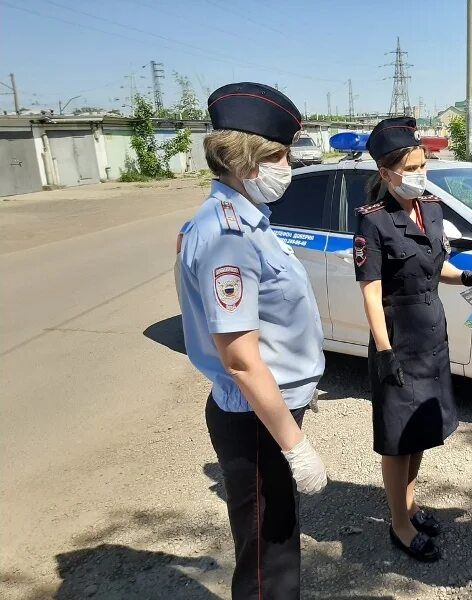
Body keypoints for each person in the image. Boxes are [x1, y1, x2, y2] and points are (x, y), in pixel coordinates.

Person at [177, 82, 328, 600]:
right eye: (281, 155)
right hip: (256, 420)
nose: (289, 166)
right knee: (269, 562)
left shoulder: (246, 220)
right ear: (248, 162)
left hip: (266, 411)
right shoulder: (227, 235)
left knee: (275, 546)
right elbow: (241, 359)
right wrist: (295, 445)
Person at [354, 117, 472, 562]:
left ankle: (411, 504)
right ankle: (399, 526)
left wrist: (466, 277)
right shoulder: (374, 222)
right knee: (397, 438)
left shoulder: (431, 207)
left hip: (432, 335)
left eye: (424, 164)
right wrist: (384, 351)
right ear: (386, 174)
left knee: (421, 430)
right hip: (397, 342)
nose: (422, 173)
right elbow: (370, 289)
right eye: (412, 167)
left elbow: (434, 263)